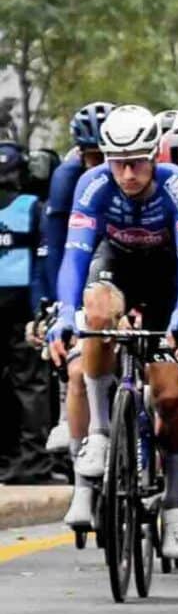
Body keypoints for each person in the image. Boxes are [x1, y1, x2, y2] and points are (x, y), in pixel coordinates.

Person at [46, 103, 178, 562]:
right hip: (115, 265)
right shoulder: (93, 184)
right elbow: (76, 255)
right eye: (117, 161)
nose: (127, 172)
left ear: (154, 155)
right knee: (94, 311)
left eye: (137, 161)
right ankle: (99, 431)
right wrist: (64, 311)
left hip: (168, 279)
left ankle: (177, 497)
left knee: (170, 397)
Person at [38, 103, 108, 526]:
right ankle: (82, 485)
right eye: (90, 157)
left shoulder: (132, 174)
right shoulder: (67, 178)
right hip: (82, 265)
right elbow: (55, 250)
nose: (98, 166)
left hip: (126, 262)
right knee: (79, 369)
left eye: (106, 157)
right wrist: (52, 309)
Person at [0, 136, 50, 483]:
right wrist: (40, 310)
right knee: (31, 385)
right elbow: (41, 262)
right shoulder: (33, 206)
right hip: (23, 307)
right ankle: (33, 461)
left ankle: (8, 457)